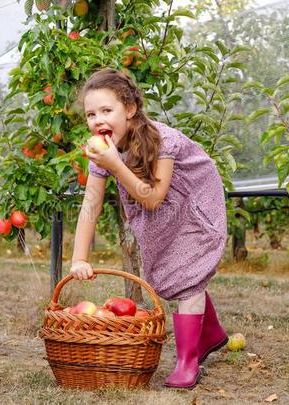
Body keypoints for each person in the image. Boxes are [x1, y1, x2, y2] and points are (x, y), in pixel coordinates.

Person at [70, 68, 229, 388]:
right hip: (165, 212)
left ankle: (187, 361)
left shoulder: (163, 140)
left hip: (196, 204)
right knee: (173, 272)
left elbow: (154, 197)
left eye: (106, 110)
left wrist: (115, 164)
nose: (98, 120)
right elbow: (92, 204)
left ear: (129, 109)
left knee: (190, 275)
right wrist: (79, 257)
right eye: (90, 114)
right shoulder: (102, 152)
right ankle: (210, 333)